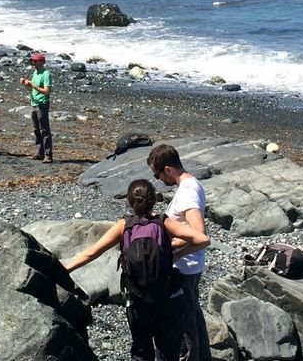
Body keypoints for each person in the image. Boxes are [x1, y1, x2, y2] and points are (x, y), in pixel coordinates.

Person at [64, 179, 210, 361]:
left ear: (129, 202)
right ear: (153, 200)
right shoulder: (164, 222)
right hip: (169, 298)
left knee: (141, 352)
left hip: (137, 300)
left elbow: (92, 253)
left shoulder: (124, 226)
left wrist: (64, 269)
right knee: (168, 353)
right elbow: (202, 239)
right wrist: (175, 253)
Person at [148, 144, 209, 361]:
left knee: (185, 320)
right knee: (193, 314)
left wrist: (172, 251)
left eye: (157, 174)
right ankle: (202, 356)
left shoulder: (187, 193)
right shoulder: (191, 184)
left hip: (186, 266)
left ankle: (193, 357)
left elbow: (199, 235)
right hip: (190, 265)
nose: (158, 180)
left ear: (167, 169)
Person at [20, 52, 52, 163]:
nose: (33, 63)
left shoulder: (46, 74)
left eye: (35, 61)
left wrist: (33, 85)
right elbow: (32, 90)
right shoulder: (35, 73)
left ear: (41, 62)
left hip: (42, 104)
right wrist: (26, 85)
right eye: (33, 61)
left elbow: (47, 91)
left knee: (44, 129)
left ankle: (48, 154)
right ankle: (40, 152)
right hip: (34, 103)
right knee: (36, 129)